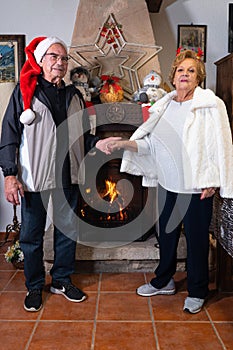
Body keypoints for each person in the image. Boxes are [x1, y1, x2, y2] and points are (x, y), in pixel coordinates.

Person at [107, 49, 233, 314]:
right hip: (167, 184)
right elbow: (150, 144)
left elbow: (221, 144)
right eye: (180, 70)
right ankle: (164, 280)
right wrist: (120, 143)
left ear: (198, 77)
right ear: (173, 77)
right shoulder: (164, 105)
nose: (185, 74)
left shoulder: (210, 104)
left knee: (197, 240)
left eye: (191, 70)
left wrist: (214, 180)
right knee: (166, 235)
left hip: (196, 186)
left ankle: (198, 290)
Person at [0, 36, 118, 312]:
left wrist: (97, 143)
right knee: (31, 234)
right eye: (54, 56)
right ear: (41, 61)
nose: (60, 62)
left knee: (68, 231)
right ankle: (34, 285)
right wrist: (9, 174)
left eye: (64, 58)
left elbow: (82, 135)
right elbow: (9, 135)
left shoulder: (74, 95)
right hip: (35, 178)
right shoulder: (24, 92)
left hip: (69, 174)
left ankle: (61, 280)